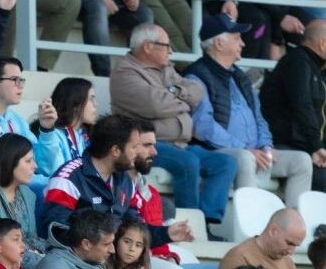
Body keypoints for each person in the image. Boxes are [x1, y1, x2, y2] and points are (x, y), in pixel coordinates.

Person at [109, 23, 238, 224]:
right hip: (147, 145)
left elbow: (197, 92)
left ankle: (207, 221)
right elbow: (155, 106)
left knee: (225, 163)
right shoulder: (124, 73)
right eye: (166, 45)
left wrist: (174, 93)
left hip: (180, 144)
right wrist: (184, 101)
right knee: (188, 163)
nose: (171, 50)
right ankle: (190, 223)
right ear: (147, 46)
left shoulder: (165, 69)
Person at [186, 13, 315, 205]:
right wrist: (247, 149)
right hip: (218, 151)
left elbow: (259, 118)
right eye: (237, 38)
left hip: (255, 151)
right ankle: (252, 224)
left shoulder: (240, 76)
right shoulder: (196, 77)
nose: (243, 44)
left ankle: (294, 226)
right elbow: (204, 127)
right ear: (219, 44)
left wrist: (266, 146)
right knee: (245, 158)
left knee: (302, 161)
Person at [39, 115, 188, 246]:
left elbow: (133, 231)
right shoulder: (68, 179)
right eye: (134, 147)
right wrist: (97, 246)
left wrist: (167, 233)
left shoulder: (126, 181)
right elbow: (54, 232)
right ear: (116, 151)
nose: (137, 152)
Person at [0, 58, 61, 185]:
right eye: (15, 80)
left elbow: (47, 168)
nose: (20, 85)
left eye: (21, 80)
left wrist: (47, 130)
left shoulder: (16, 119)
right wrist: (50, 183)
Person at [261, 20, 326, 191]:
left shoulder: (315, 68)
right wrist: (316, 146)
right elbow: (302, 106)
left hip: (304, 146)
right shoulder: (297, 62)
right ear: (323, 43)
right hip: (286, 146)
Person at [0, 134, 46, 268]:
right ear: (10, 162)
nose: (35, 166)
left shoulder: (28, 194)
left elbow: (32, 240)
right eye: (28, 161)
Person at [218, 208, 307, 269]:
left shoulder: (288, 262)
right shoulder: (239, 257)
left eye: (295, 246)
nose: (291, 252)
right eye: (289, 243)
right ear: (273, 231)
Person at [36, 210, 120, 269]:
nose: (112, 250)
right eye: (106, 244)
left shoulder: (93, 261)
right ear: (86, 244)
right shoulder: (54, 266)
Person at [48, 78, 98, 168]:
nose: (96, 104)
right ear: (75, 103)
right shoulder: (54, 135)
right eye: (91, 99)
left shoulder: (88, 134)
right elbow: (55, 172)